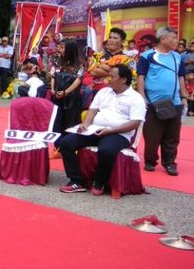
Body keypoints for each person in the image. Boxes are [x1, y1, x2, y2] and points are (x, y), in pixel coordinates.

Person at [55, 64, 145, 194]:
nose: (108, 79)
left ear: (123, 79)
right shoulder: (104, 92)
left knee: (106, 150)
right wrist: (85, 124)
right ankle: (75, 181)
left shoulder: (135, 98)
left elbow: (135, 123)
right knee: (65, 142)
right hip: (95, 129)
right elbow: (93, 110)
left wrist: (110, 131)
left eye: (112, 77)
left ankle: (99, 182)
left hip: (119, 134)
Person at [137, 27, 188, 176]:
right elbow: (141, 76)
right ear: (163, 39)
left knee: (172, 136)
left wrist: (184, 97)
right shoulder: (147, 56)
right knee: (152, 135)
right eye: (173, 38)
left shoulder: (177, 57)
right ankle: (150, 161)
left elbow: (181, 78)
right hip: (153, 103)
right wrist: (141, 98)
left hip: (175, 102)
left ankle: (170, 163)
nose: (176, 41)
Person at [83, 28, 130, 106]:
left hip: (116, 94)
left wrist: (100, 65)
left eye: (115, 38)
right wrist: (114, 71)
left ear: (122, 41)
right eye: (110, 37)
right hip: (96, 92)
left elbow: (125, 76)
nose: (111, 40)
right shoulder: (97, 55)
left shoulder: (127, 58)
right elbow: (93, 71)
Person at [50, 39, 84, 134]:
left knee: (70, 123)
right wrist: (53, 89)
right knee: (57, 121)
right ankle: (57, 146)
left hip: (72, 98)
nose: (59, 49)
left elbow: (78, 80)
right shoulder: (58, 61)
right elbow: (53, 76)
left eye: (62, 47)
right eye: (59, 47)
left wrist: (66, 92)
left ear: (70, 49)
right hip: (57, 96)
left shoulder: (79, 64)